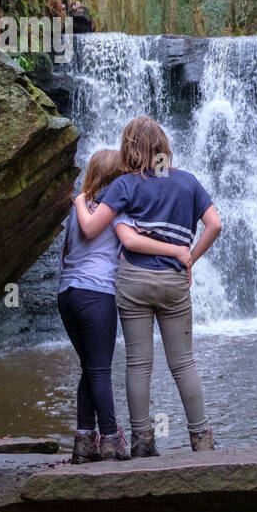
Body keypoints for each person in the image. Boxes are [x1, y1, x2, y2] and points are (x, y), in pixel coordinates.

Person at [74, 116, 222, 455]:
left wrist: (80, 200)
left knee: (139, 364)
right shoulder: (188, 182)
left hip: (134, 281)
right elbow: (214, 224)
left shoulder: (124, 185)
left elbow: (94, 228)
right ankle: (202, 439)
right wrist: (189, 258)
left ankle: (143, 442)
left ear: (130, 147)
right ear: (164, 147)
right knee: (183, 363)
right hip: (173, 281)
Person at [58, 148, 193, 464]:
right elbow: (133, 241)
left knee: (90, 368)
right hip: (97, 295)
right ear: (117, 179)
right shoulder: (117, 210)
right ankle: (110, 438)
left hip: (68, 294)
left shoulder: (78, 211)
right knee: (101, 369)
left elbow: (65, 255)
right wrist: (177, 251)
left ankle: (82, 440)